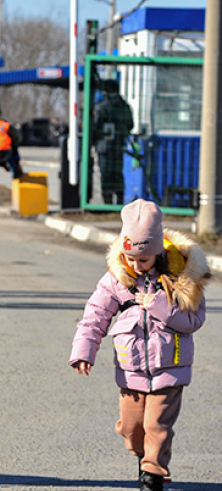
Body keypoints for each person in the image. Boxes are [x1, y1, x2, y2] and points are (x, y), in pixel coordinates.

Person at [70, 199, 209, 491]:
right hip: (130, 368)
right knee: (132, 430)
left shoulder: (181, 276)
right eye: (129, 257)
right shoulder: (116, 278)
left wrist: (161, 307)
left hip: (170, 368)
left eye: (143, 259)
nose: (135, 264)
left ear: (158, 250)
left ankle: (153, 475)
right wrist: (84, 351)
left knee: (157, 426)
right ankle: (144, 454)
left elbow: (194, 321)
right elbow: (95, 316)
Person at [93, 80, 134, 205]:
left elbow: (95, 126)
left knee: (106, 174)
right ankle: (120, 201)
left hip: (103, 146)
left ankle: (107, 203)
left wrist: (95, 140)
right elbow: (130, 125)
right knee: (117, 173)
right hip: (118, 145)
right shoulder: (124, 105)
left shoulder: (101, 106)